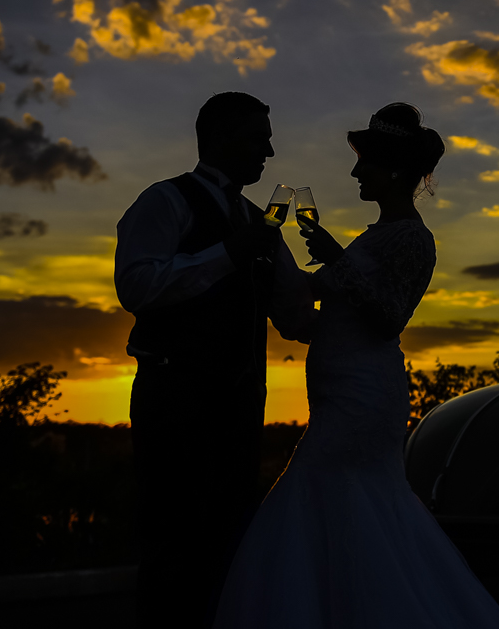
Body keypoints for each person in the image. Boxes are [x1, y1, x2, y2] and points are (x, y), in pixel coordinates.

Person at [213, 103, 499, 628]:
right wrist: (269, 254)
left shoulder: (414, 239)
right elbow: (323, 301)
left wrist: (334, 257)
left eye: (364, 163)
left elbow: (387, 316)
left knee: (325, 491)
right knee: (346, 505)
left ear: (394, 170)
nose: (354, 173)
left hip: (365, 397)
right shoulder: (374, 234)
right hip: (337, 394)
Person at [115, 92, 313, 629]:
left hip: (242, 403)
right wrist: (227, 254)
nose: (270, 151)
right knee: (172, 544)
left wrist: (357, 285)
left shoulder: (259, 224)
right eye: (258, 138)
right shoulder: (163, 202)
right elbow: (136, 286)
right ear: (218, 138)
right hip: (174, 398)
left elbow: (294, 313)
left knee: (231, 540)